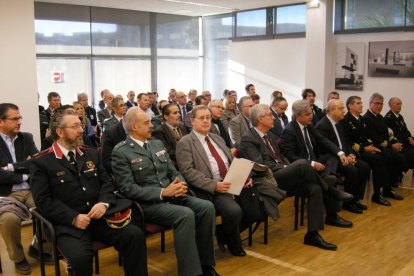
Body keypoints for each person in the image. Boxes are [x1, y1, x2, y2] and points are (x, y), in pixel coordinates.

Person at [30, 106, 147, 276]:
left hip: (100, 218)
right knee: (80, 259)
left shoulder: (91, 153)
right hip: (68, 225)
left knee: (134, 235)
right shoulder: (42, 162)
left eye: (80, 125)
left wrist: (104, 203)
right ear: (60, 132)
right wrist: (73, 218)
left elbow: (107, 183)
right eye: (75, 126)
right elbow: (43, 201)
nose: (81, 130)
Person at [111, 107, 218, 276]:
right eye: (146, 123)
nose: (151, 126)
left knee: (207, 207)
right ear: (133, 127)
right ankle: (191, 273)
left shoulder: (156, 144)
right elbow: (127, 188)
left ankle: (206, 266)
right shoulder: (121, 151)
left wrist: (180, 184)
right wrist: (163, 192)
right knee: (185, 215)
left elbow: (173, 171)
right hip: (148, 204)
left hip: (173, 194)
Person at [239, 104, 352, 251]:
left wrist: (287, 167)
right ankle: (330, 191)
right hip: (268, 179)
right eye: (269, 115)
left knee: (315, 188)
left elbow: (281, 157)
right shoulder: (249, 139)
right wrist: (287, 168)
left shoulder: (270, 135)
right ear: (260, 119)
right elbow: (261, 166)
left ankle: (312, 235)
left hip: (282, 176)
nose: (273, 117)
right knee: (302, 164)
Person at [176, 105, 249, 257]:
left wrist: (243, 176)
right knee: (234, 211)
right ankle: (234, 243)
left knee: (257, 206)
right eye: (201, 118)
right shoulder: (185, 142)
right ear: (192, 121)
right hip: (212, 188)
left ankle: (222, 232)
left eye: (208, 118)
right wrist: (214, 186)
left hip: (232, 181)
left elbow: (230, 160)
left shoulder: (217, 138)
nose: (206, 121)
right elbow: (187, 171)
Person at [280, 100, 353, 225]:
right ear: (299, 116)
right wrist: (312, 164)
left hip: (315, 162)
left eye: (311, 113)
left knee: (332, 157)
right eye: (308, 114)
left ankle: (327, 176)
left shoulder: (309, 125)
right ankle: (332, 213)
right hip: (302, 168)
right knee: (328, 181)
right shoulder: (289, 131)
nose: (312, 116)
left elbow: (322, 139)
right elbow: (291, 157)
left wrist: (339, 152)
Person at [0, 103, 49, 274]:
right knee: (8, 220)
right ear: (1, 121)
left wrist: (8, 167)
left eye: (19, 118)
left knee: (48, 208)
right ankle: (18, 258)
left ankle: (38, 247)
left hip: (31, 189)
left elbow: (36, 163)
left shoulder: (26, 138)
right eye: (14, 119)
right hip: (6, 194)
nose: (19, 122)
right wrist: (24, 171)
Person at [316, 100, 370, 214]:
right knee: (352, 170)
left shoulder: (339, 123)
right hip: (331, 159)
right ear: (331, 110)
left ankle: (356, 199)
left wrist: (350, 154)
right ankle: (348, 202)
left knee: (364, 167)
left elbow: (345, 143)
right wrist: (343, 156)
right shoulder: (322, 125)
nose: (343, 111)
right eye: (340, 109)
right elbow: (326, 148)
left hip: (343, 156)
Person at [342, 96, 394, 206]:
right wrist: (364, 148)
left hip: (364, 149)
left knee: (383, 155)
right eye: (358, 103)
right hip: (354, 152)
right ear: (350, 106)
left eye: (361, 102)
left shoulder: (361, 119)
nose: (361, 105)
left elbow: (365, 137)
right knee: (377, 160)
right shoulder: (346, 120)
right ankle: (374, 195)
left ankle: (378, 192)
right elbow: (347, 141)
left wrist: (371, 147)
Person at [363, 93, 404, 198]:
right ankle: (377, 193)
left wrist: (393, 143)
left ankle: (388, 188)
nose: (379, 106)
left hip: (383, 147)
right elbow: (375, 138)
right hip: (375, 147)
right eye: (377, 103)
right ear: (370, 104)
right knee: (386, 157)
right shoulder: (367, 118)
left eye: (381, 104)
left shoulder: (380, 117)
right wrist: (391, 146)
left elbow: (386, 134)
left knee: (397, 157)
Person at [152, 103, 188, 168]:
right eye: (175, 113)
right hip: (176, 165)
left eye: (179, 112)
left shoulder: (182, 127)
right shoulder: (159, 132)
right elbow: (168, 152)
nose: (179, 115)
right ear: (166, 116)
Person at [385, 97, 414, 170]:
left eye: (401, 104)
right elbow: (395, 134)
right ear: (391, 105)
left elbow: (405, 130)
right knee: (411, 153)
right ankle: (404, 169)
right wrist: (409, 140)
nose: (400, 106)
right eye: (397, 104)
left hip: (406, 139)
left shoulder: (400, 116)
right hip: (398, 141)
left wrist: (410, 137)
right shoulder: (388, 118)